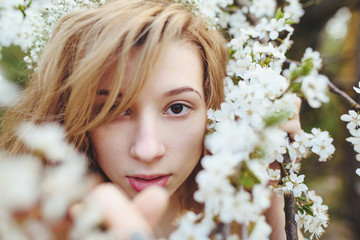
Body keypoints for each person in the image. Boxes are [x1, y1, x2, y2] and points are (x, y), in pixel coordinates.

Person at [0, 0, 302, 239]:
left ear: (216, 109)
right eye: (114, 111)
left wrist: (274, 193)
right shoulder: (32, 223)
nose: (147, 149)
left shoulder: (242, 212)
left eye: (178, 108)